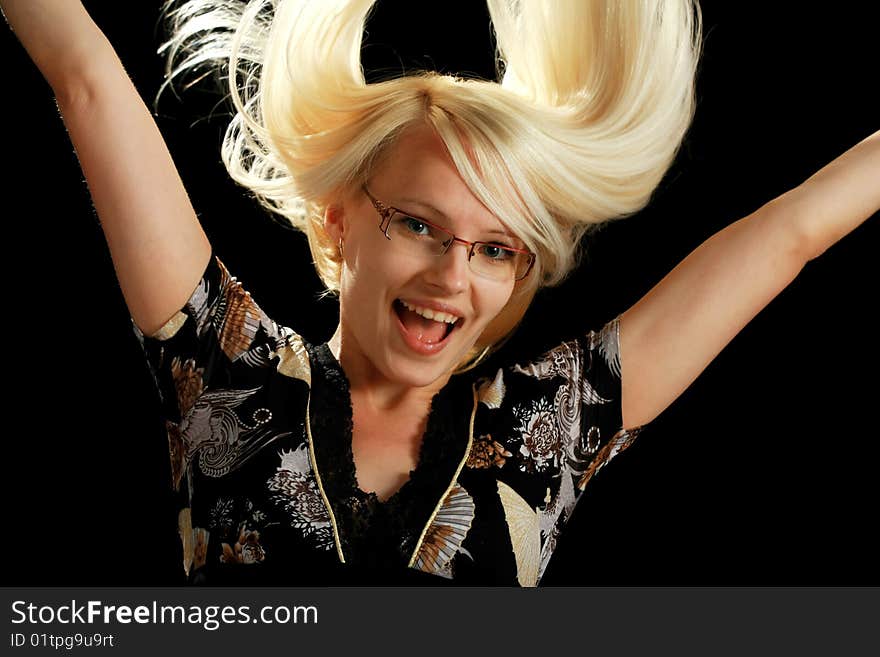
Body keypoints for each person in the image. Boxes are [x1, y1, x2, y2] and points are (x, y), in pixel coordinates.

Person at [2, 0, 876, 586]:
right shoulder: (225, 367)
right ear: (342, 220)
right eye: (418, 224)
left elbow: (792, 232)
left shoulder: (550, 422)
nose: (453, 275)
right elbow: (82, 76)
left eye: (496, 248)